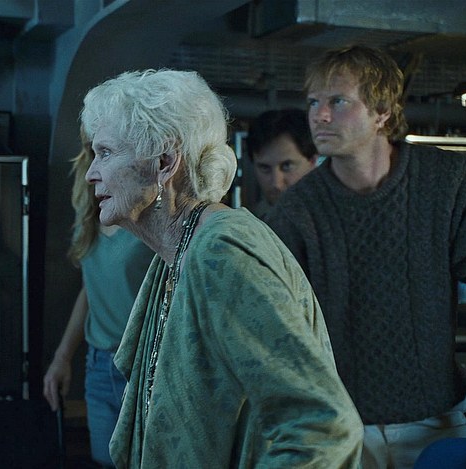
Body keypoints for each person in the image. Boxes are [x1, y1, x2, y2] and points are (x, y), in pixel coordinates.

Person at [79, 68, 363, 468]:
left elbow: (323, 429)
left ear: (164, 162)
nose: (91, 173)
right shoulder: (180, 249)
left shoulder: (223, 252)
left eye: (106, 153)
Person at [264, 45, 466, 469]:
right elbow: (271, 320)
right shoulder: (297, 210)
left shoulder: (447, 182)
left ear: (382, 112)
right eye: (313, 102)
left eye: (337, 101)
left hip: (436, 423)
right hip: (338, 428)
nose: (319, 116)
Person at [42, 131, 153, 468]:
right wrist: (62, 357)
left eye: (107, 151)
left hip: (143, 367)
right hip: (99, 366)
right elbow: (90, 289)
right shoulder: (91, 211)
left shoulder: (148, 216)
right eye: (95, 151)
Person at [246, 108, 318, 219]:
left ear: (312, 161)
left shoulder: (337, 216)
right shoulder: (247, 223)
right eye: (265, 168)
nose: (276, 183)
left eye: (287, 166)